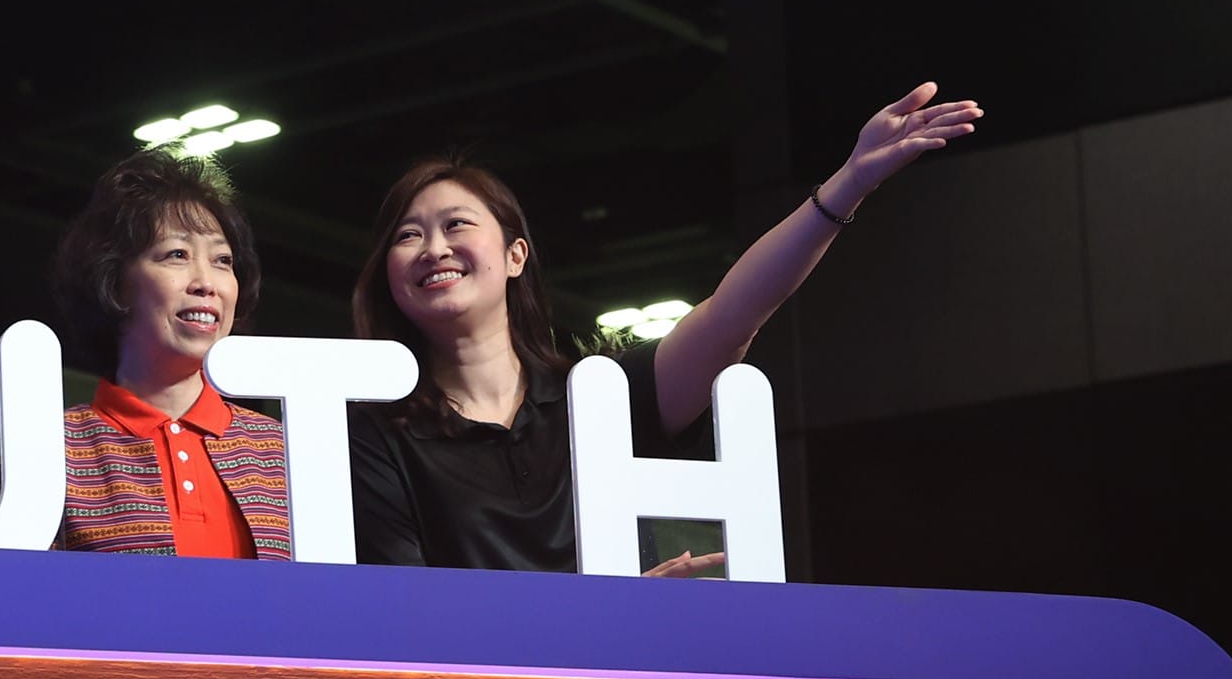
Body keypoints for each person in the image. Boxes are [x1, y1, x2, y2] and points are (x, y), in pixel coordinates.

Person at [347, 81, 982, 573]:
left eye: (457, 225)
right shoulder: (376, 430)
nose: (433, 247)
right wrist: (603, 606)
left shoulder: (599, 394)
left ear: (516, 255)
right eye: (408, 235)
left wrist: (849, 185)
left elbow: (731, 314)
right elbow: (408, 612)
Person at [47, 149, 291, 558]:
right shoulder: (55, 447)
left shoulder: (279, 449)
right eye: (177, 254)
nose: (206, 282)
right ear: (114, 280)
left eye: (222, 261)